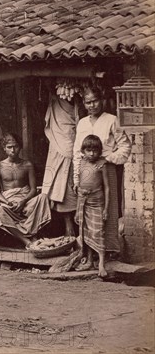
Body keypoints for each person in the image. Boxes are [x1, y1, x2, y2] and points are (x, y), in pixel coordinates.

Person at [73, 85, 131, 255]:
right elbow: (77, 152)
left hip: (105, 171)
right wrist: (76, 179)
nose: (92, 105)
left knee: (107, 212)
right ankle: (88, 254)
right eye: (88, 102)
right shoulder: (82, 123)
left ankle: (107, 253)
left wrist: (107, 158)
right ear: (84, 103)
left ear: (102, 100)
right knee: (86, 214)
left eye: (95, 101)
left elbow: (125, 147)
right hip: (85, 173)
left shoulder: (112, 120)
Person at [0, 133, 52, 247]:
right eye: (9, 147)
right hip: (9, 203)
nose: (13, 150)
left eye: (15, 146)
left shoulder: (27, 165)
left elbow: (33, 189)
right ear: (4, 149)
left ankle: (33, 234)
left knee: (43, 197)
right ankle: (27, 241)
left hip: (26, 202)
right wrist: (7, 202)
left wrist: (23, 201)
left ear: (20, 147)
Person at [42, 95, 78, 236]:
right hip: (58, 149)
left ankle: (77, 233)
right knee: (61, 188)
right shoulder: (56, 101)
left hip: (73, 150)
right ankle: (69, 230)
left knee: (74, 187)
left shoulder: (78, 104)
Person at [75, 135, 110, 277]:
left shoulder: (102, 164)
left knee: (98, 231)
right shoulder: (81, 163)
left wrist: (106, 208)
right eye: (88, 150)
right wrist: (78, 207)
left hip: (97, 201)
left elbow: (107, 187)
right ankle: (89, 260)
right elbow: (78, 184)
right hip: (83, 201)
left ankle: (101, 263)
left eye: (95, 150)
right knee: (86, 231)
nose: (91, 153)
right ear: (83, 151)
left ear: (100, 151)